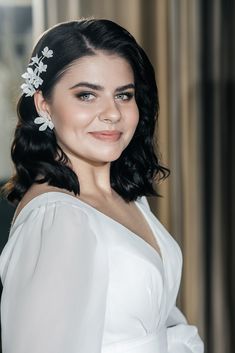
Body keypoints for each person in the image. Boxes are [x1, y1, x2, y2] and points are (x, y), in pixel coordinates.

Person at [0, 19, 204, 353]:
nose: (112, 113)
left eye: (124, 95)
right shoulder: (59, 220)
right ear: (44, 104)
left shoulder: (128, 197)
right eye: (87, 95)